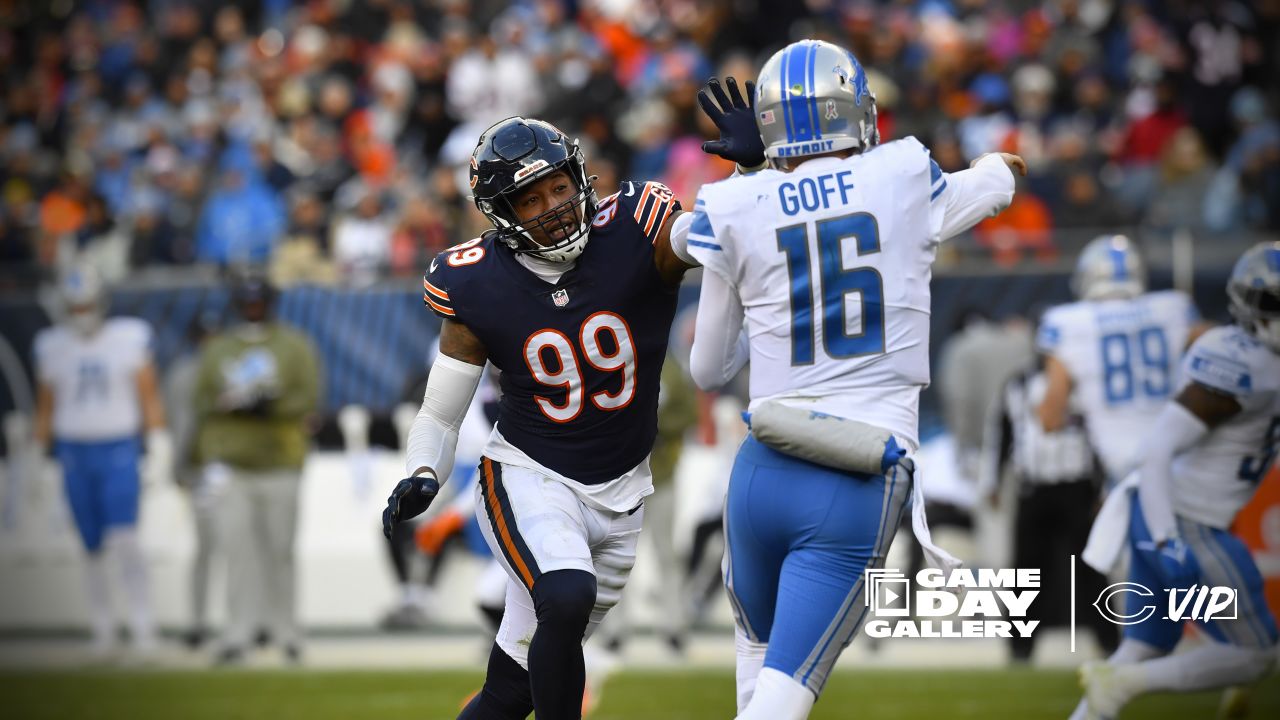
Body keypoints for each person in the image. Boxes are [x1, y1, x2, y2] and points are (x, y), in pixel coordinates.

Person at [686, 39, 1024, 719]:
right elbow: (982, 189)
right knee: (779, 704)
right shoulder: (902, 174)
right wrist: (1000, 169)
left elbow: (707, 369)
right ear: (856, 113)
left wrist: (759, 198)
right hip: (857, 469)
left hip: (760, 470)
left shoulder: (733, 205)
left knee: (755, 685)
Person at [381, 116, 699, 720]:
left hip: (623, 493)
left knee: (512, 691)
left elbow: (710, 240)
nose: (553, 207)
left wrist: (750, 177)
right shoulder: (476, 281)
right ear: (501, 213)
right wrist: (424, 469)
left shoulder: (636, 225)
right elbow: (442, 412)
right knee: (565, 591)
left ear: (580, 177)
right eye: (530, 199)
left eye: (557, 187)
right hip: (531, 474)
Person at [1072, 242, 1280, 719]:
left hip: (1163, 511)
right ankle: (1125, 684)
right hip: (1183, 519)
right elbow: (1161, 447)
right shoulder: (1240, 363)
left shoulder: (1250, 359)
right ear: (1248, 303)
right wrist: (1166, 537)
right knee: (1258, 654)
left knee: (1145, 643)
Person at [32, 265, 170, 660]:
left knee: (125, 540)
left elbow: (148, 395)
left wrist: (157, 442)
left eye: (88, 304)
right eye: (75, 307)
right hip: (74, 451)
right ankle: (103, 629)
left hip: (118, 447)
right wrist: (40, 458)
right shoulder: (51, 345)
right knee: (90, 546)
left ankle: (144, 627)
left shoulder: (128, 338)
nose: (83, 313)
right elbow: (46, 407)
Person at [193, 271, 321, 665]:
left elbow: (309, 396)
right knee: (238, 552)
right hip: (233, 462)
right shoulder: (219, 349)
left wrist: (271, 405)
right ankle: (239, 633)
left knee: (280, 549)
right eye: (247, 301)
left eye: (258, 301)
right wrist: (233, 405)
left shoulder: (294, 345)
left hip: (280, 459)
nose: (253, 308)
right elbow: (201, 400)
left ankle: (285, 631)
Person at [1037, 235, 1207, 486]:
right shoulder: (1173, 307)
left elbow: (1050, 417)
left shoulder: (1067, 322)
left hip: (1124, 470)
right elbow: (1222, 351)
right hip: (1178, 460)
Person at [980, 358, 1116, 662]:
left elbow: (1101, 437)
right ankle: (1019, 647)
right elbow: (999, 432)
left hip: (1076, 486)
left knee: (1091, 565)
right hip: (1034, 486)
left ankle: (1108, 641)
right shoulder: (1017, 385)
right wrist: (991, 481)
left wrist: (1104, 487)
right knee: (1026, 570)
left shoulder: (1083, 383)